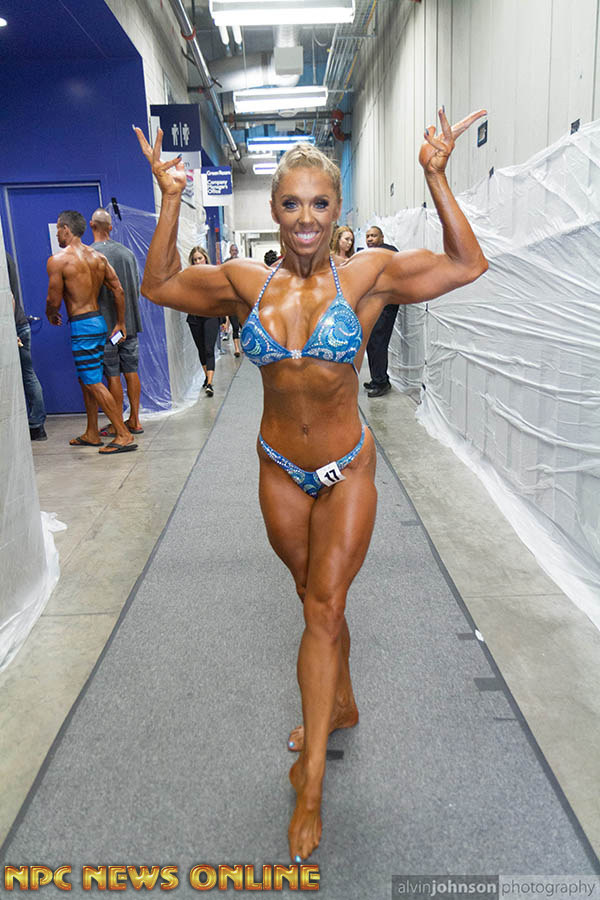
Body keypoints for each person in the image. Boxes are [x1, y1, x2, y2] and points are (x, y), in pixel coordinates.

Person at [134, 106, 488, 862]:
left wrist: (436, 177)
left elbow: (467, 264)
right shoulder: (245, 283)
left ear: (337, 210)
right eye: (291, 203)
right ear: (274, 208)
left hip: (347, 465)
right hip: (278, 468)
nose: (305, 218)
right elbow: (157, 284)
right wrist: (169, 201)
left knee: (324, 607)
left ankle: (313, 783)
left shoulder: (367, 276)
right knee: (311, 599)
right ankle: (343, 702)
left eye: (319, 203)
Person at [45, 209, 137, 454]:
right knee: (86, 378)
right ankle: (92, 432)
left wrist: (50, 313)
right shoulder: (98, 258)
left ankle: (123, 434)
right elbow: (118, 290)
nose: (57, 235)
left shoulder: (59, 260)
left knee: (93, 382)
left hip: (82, 326)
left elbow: (53, 300)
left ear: (66, 229)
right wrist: (120, 323)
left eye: (58, 230)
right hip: (98, 322)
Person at [89, 208, 144, 436]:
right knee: (131, 370)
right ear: (111, 227)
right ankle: (135, 420)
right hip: (128, 325)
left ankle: (117, 423)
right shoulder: (128, 254)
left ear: (92, 225)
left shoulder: (90, 255)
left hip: (106, 328)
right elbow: (135, 289)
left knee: (112, 373)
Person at [7, 251, 47, 440]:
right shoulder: (7, 257)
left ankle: (24, 427)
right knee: (28, 375)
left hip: (12, 326)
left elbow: (9, 297)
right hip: (20, 324)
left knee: (20, 377)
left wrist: (10, 330)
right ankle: (37, 426)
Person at [363, 225, 399, 397]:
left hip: (385, 304)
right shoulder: (371, 254)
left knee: (378, 341)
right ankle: (378, 378)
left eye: (373, 236)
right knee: (372, 342)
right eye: (368, 236)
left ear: (382, 238)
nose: (370, 239)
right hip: (375, 304)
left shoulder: (387, 251)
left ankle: (381, 383)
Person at [186, 246, 219, 397]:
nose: (198, 262)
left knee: (208, 349)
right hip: (194, 316)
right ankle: (207, 377)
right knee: (201, 349)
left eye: (200, 258)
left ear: (205, 258)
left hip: (211, 315)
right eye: (195, 260)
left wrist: (223, 316)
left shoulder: (214, 274)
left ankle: (210, 383)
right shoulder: (189, 277)